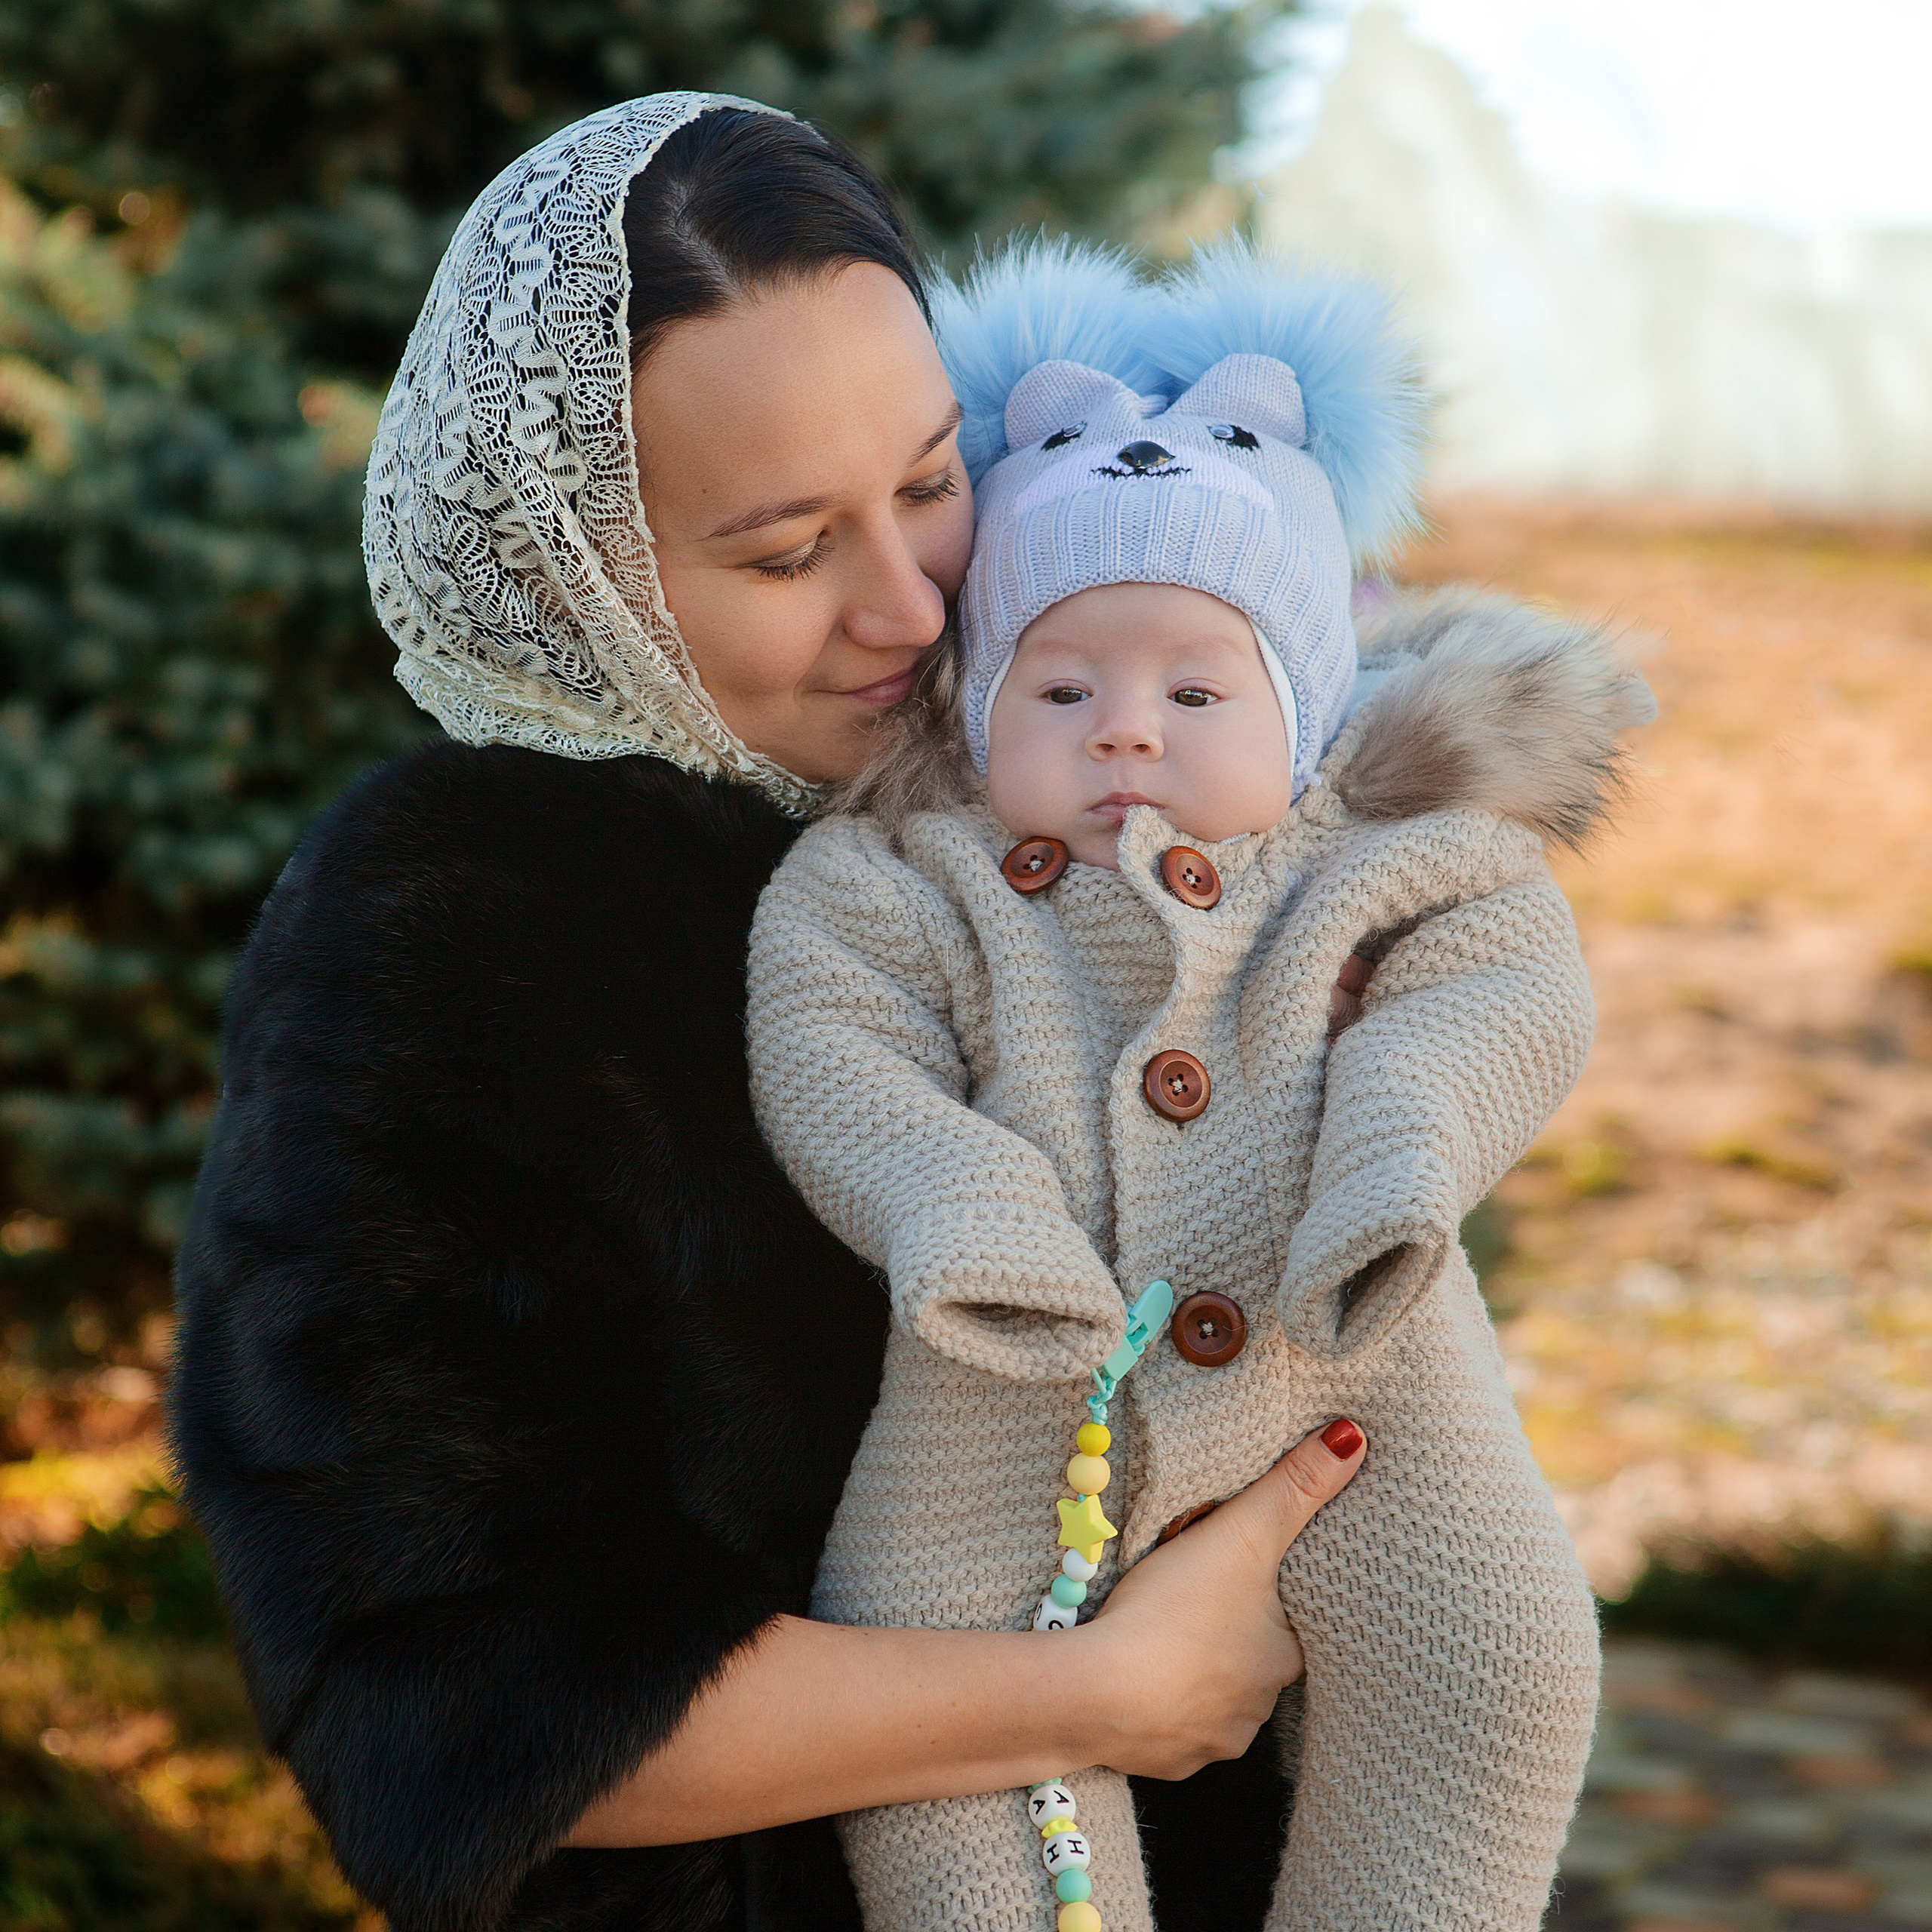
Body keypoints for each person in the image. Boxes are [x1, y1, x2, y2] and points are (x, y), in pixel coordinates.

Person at [168, 96, 1367, 1932]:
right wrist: (1097, 1694)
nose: (907, 605)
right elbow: (447, 1706)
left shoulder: (1081, 790)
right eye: (787, 549)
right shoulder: (457, 922)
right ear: (577, 572)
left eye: (930, 481)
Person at [746, 243, 1656, 1931]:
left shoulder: (1377, 853)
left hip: (1357, 1370)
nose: (1126, 732)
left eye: (1194, 689)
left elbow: (1503, 983)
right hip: (1010, 1392)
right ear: (978, 703)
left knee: (1498, 1660)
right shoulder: (900, 878)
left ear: (1305, 710)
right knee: (944, 1732)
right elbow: (832, 1048)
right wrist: (961, 1203)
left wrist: (1400, 1137)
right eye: (1062, 687)